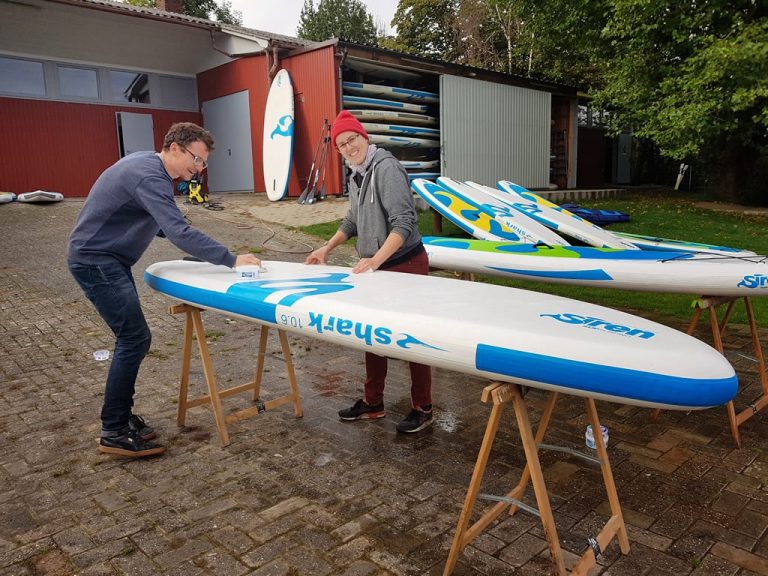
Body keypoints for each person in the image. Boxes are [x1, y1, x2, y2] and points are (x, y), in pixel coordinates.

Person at [68, 122, 261, 458]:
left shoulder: (147, 166)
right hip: (96, 261)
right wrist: (229, 259)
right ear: (175, 147)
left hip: (105, 259)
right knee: (134, 339)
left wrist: (193, 247)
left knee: (132, 339)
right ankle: (113, 429)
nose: (199, 169)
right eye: (196, 160)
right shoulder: (150, 174)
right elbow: (175, 230)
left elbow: (158, 223)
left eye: (203, 164)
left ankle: (120, 418)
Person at [305, 110, 433, 434]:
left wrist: (375, 259)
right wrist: (326, 248)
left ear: (365, 138)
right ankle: (373, 403)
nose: (349, 148)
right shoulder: (356, 174)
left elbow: (404, 224)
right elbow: (352, 220)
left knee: (411, 336)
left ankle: (424, 407)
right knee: (373, 336)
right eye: (341, 144)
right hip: (379, 266)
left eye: (352, 140)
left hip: (405, 263)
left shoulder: (386, 168)